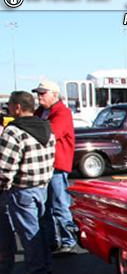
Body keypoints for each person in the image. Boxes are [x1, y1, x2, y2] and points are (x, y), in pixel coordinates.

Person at [0, 91, 56, 274]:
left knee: (29, 232)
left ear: (17, 107)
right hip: (43, 186)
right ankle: (45, 266)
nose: (7, 108)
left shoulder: (13, 131)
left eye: (9, 104)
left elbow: (5, 168)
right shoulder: (47, 128)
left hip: (22, 189)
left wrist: (3, 186)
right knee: (41, 229)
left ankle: (36, 272)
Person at [33, 80, 78, 254]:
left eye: (42, 93)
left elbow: (51, 134)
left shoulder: (62, 112)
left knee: (59, 204)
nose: (39, 97)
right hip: (43, 165)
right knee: (44, 207)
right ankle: (51, 240)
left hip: (57, 165)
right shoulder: (40, 112)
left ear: (54, 94)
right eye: (38, 93)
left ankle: (68, 240)